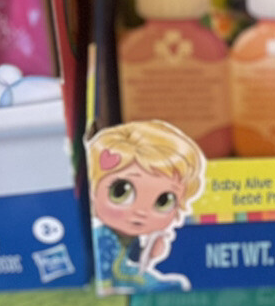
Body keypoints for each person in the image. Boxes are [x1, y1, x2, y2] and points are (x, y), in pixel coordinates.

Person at [87, 120, 204, 291]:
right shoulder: (104, 237)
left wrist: (151, 251)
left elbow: (135, 258)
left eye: (163, 201)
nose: (141, 212)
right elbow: (114, 272)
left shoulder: (129, 237)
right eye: (120, 192)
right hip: (114, 282)